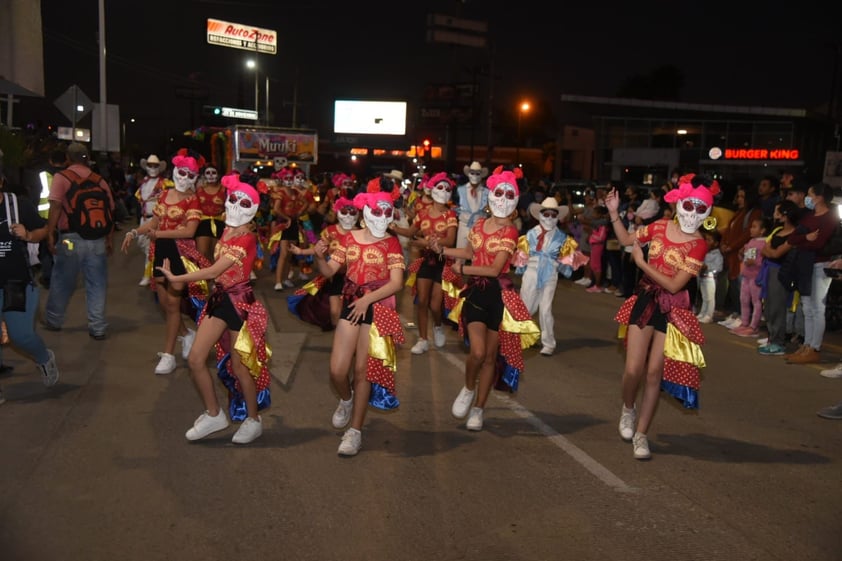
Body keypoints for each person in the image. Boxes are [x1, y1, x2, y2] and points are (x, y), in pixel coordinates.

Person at [605, 173, 715, 460]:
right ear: (680, 204)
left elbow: (675, 284)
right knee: (633, 370)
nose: (693, 213)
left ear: (707, 213)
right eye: (689, 206)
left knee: (654, 373)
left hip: (674, 310)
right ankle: (628, 408)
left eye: (700, 209)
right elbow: (628, 238)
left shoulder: (699, 245)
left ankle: (641, 435)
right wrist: (615, 213)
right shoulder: (659, 227)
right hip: (646, 300)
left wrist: (642, 263)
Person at [155, 174, 271, 444]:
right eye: (233, 199)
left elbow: (216, 269)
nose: (235, 206)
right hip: (220, 300)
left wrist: (178, 278)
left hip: (240, 305)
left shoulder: (247, 238)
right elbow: (210, 262)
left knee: (241, 368)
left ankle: (253, 420)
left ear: (253, 209)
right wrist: (183, 258)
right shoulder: (227, 229)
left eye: (244, 203)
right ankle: (214, 414)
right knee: (195, 358)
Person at [431, 168, 540, 432]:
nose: (502, 198)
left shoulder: (511, 232)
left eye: (508, 193)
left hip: (498, 295)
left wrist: (463, 270)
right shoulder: (479, 224)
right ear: (491, 196)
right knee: (477, 352)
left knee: (490, 358)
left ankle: (479, 408)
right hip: (476, 294)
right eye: (499, 192)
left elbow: (494, 269)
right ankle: (469, 388)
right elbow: (469, 251)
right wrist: (443, 249)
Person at [309, 190, 406, 457]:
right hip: (353, 302)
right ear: (366, 212)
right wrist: (319, 256)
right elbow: (329, 270)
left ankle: (355, 432)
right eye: (377, 211)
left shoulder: (392, 243)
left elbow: (396, 283)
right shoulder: (349, 239)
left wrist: (368, 301)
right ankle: (347, 399)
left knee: (363, 371)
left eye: (388, 212)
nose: (383, 217)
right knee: (338, 371)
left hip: (379, 305)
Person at [121, 149, 206, 375]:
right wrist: (134, 231)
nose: (184, 177)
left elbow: (189, 231)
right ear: (175, 171)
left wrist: (159, 235)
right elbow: (153, 223)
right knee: (164, 304)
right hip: (160, 251)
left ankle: (168, 355)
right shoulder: (165, 194)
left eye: (190, 175)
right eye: (182, 172)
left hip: (180, 253)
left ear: (195, 178)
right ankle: (187, 335)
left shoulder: (193, 200)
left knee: (173, 304)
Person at [43, 142, 115, 341]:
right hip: (97, 239)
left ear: (68, 158)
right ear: (86, 157)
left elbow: (56, 206)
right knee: (97, 284)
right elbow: (110, 210)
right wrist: (109, 238)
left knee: (62, 281)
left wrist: (50, 233)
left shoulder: (62, 177)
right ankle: (98, 327)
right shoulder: (99, 180)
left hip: (70, 239)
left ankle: (54, 320)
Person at [0, 170, 60, 404]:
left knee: (21, 336)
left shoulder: (18, 204)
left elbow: (44, 230)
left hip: (17, 282)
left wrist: (27, 235)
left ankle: (44, 358)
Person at [391, 172, 458, 354]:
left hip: (443, 262)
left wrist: (427, 242)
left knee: (435, 305)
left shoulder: (450, 215)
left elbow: (450, 240)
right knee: (422, 301)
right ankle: (422, 339)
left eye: (447, 188)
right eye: (440, 187)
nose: (443, 191)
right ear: (433, 190)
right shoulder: (422, 214)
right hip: (426, 261)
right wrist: (394, 227)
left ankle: (437, 326)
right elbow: (412, 232)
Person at [782, 182, 839, 364]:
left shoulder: (830, 218)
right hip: (804, 265)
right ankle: (806, 345)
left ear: (820, 197)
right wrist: (805, 237)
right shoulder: (809, 217)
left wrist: (803, 241)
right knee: (807, 308)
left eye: (810, 194)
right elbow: (792, 238)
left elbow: (819, 244)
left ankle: (814, 347)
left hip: (820, 265)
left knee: (817, 308)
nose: (808, 198)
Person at [287, 196, 360, 330]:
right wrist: (301, 252)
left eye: (352, 212)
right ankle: (339, 336)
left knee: (354, 313)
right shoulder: (330, 231)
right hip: (335, 276)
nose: (348, 216)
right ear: (338, 212)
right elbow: (318, 249)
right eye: (344, 212)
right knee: (334, 312)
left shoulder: (362, 233)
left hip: (357, 279)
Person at [515, 197, 575, 356]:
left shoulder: (562, 238)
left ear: (557, 217)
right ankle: (526, 336)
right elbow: (522, 255)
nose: (549, 218)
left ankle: (548, 343)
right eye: (546, 214)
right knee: (526, 307)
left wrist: (566, 264)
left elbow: (567, 259)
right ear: (540, 215)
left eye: (553, 215)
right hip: (532, 272)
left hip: (550, 273)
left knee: (545, 309)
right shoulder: (530, 234)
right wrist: (522, 269)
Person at [758, 200, 801, 356]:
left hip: (781, 272)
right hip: (769, 270)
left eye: (779, 211)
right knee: (769, 307)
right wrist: (770, 251)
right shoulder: (777, 230)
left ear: (786, 214)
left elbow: (776, 253)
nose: (776, 214)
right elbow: (764, 249)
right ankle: (772, 338)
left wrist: (770, 251)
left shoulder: (795, 233)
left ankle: (778, 342)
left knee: (777, 307)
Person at [718, 184, 763, 328]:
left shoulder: (753, 213)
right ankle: (736, 314)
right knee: (734, 285)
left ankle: (743, 317)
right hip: (732, 252)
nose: (739, 199)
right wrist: (724, 244)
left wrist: (732, 246)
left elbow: (746, 234)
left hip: (741, 253)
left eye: (742, 196)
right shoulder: (740, 212)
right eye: (738, 196)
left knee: (742, 287)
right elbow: (728, 230)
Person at [134, 154, 171, 287]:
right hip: (144, 218)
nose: (153, 168)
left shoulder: (165, 183)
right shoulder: (144, 182)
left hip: (156, 219)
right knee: (143, 244)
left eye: (155, 166)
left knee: (152, 247)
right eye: (150, 165)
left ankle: (149, 275)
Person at [730, 217, 769, 337]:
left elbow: (764, 261)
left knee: (756, 302)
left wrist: (756, 262)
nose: (751, 229)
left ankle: (754, 326)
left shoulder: (764, 243)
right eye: (751, 227)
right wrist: (741, 254)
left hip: (756, 277)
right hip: (746, 275)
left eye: (754, 227)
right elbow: (745, 258)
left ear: (762, 230)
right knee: (744, 299)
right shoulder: (751, 242)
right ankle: (744, 323)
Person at [194, 164, 225, 263]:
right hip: (203, 224)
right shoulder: (198, 190)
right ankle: (202, 278)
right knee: (202, 254)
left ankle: (215, 278)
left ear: (218, 175)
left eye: (213, 173)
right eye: (208, 173)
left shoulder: (224, 190)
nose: (211, 175)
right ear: (204, 175)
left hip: (220, 223)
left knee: (217, 255)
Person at [454, 161, 489, 249]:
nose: (475, 176)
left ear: (481, 175)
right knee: (460, 254)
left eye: (478, 173)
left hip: (480, 228)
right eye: (472, 173)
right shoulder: (461, 190)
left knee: (478, 254)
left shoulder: (486, 192)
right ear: (468, 174)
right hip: (464, 226)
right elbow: (455, 206)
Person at [696, 229, 723, 324]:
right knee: (704, 297)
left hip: (710, 277)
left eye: (709, 240)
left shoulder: (717, 254)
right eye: (706, 239)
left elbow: (719, 267)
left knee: (710, 297)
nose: (707, 242)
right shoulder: (705, 252)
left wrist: (708, 267)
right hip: (702, 277)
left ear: (716, 243)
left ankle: (709, 315)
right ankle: (703, 313)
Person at [585, 205, 609, 293]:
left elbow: (601, 237)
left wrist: (591, 235)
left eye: (594, 213)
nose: (593, 214)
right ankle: (595, 284)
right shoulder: (598, 224)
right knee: (593, 265)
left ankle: (597, 285)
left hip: (598, 246)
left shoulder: (602, 225)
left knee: (596, 266)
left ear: (599, 214)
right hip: (594, 246)